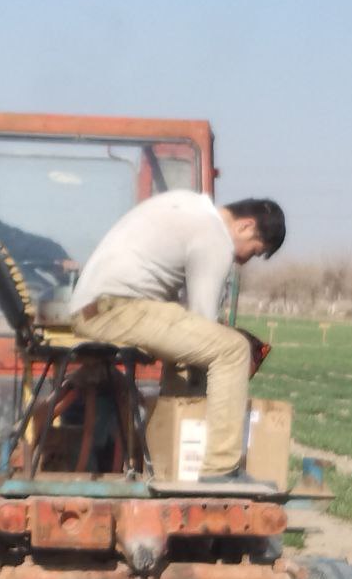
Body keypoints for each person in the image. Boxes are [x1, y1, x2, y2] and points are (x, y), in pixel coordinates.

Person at [69, 191, 285, 481]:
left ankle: (169, 459)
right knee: (232, 350)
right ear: (245, 226)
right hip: (116, 308)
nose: (244, 261)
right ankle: (220, 470)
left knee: (186, 354)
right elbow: (203, 318)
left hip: (97, 306)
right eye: (254, 251)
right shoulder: (214, 236)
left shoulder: (187, 205)